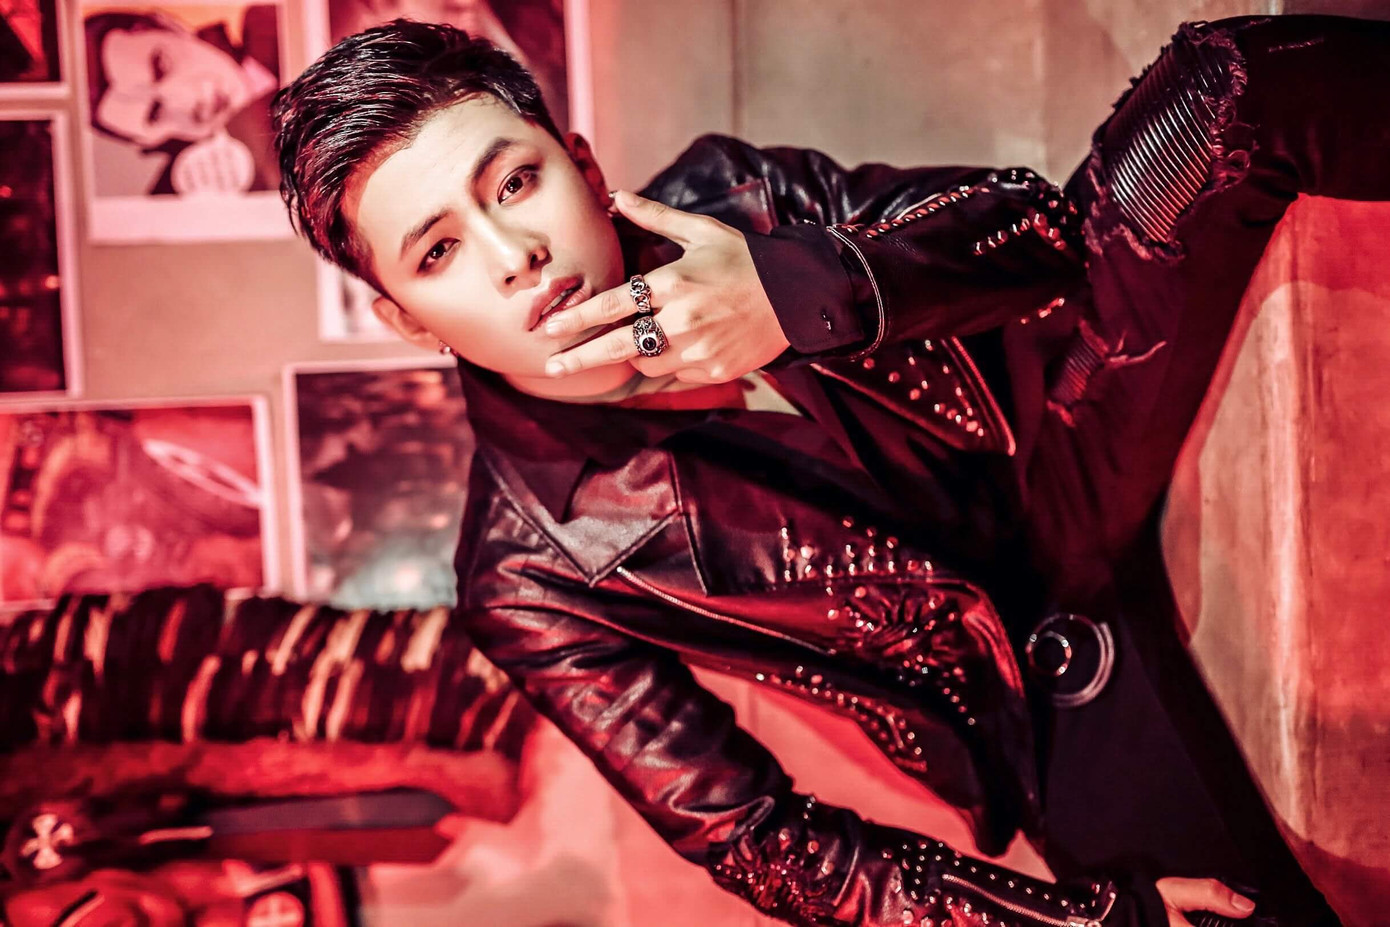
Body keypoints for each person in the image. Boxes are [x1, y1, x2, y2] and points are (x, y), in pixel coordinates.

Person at [270, 17, 1386, 926]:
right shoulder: (523, 577)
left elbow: (1042, 227)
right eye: (437, 251)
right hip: (1013, 693)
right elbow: (760, 840)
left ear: (583, 165)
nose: (515, 256)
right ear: (408, 320)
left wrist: (801, 288)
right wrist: (1088, 919)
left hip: (1065, 440)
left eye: (514, 183)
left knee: (1230, 87)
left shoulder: (728, 196)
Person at [84, 7, 281, 195]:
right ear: (145, 141)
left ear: (169, 25)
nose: (190, 101)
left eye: (161, 65)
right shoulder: (184, 206)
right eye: (154, 114)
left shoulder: (273, 21)